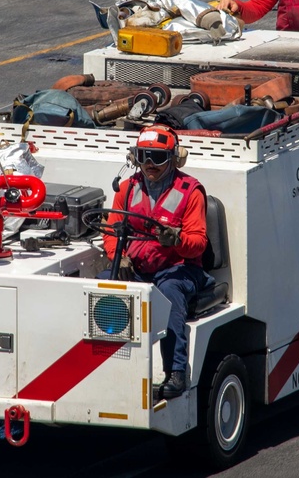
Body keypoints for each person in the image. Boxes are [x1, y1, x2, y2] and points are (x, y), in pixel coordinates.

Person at [102, 125, 211, 399]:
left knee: (169, 294)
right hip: (138, 270)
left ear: (174, 158)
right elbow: (113, 233)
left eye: (158, 157)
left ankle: (176, 371)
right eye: (144, 155)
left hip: (180, 269)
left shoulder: (190, 192)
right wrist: (120, 257)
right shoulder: (127, 190)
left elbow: (198, 242)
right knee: (103, 286)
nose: (149, 164)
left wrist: (176, 240)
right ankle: (103, 368)